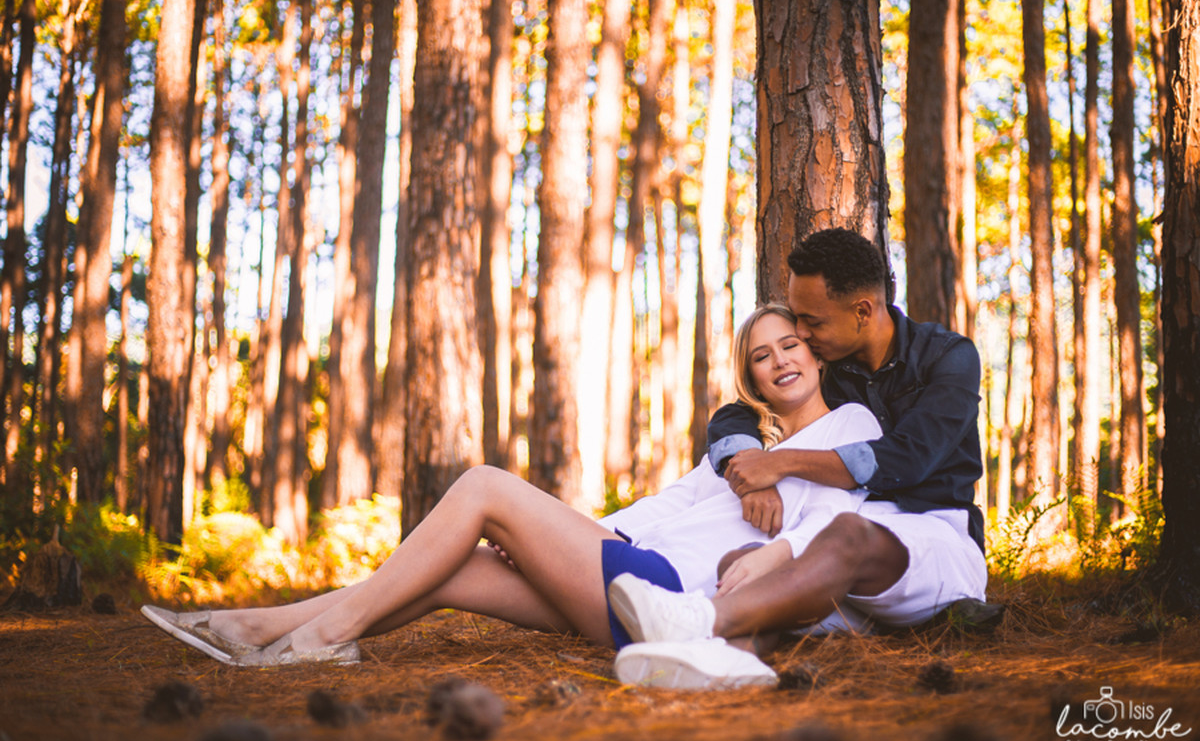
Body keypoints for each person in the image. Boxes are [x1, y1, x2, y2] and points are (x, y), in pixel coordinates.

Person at [142, 305, 881, 689]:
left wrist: (777, 550)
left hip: (675, 596)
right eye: (761, 355)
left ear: (814, 351)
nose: (779, 359)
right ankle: (256, 626)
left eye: (789, 345)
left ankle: (313, 640)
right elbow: (657, 511)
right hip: (628, 572)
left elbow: (840, 519)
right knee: (455, 571)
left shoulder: (850, 425)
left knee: (486, 483)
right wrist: (547, 540)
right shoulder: (741, 447)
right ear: (751, 378)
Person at [608, 227, 991, 688]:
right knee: (746, 560)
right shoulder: (835, 363)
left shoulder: (947, 358)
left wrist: (781, 464)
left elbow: (908, 458)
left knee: (841, 536)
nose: (802, 335)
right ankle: (729, 664)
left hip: (930, 532)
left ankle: (694, 620)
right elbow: (739, 412)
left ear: (863, 311)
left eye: (812, 322)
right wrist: (748, 459)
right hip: (834, 555)